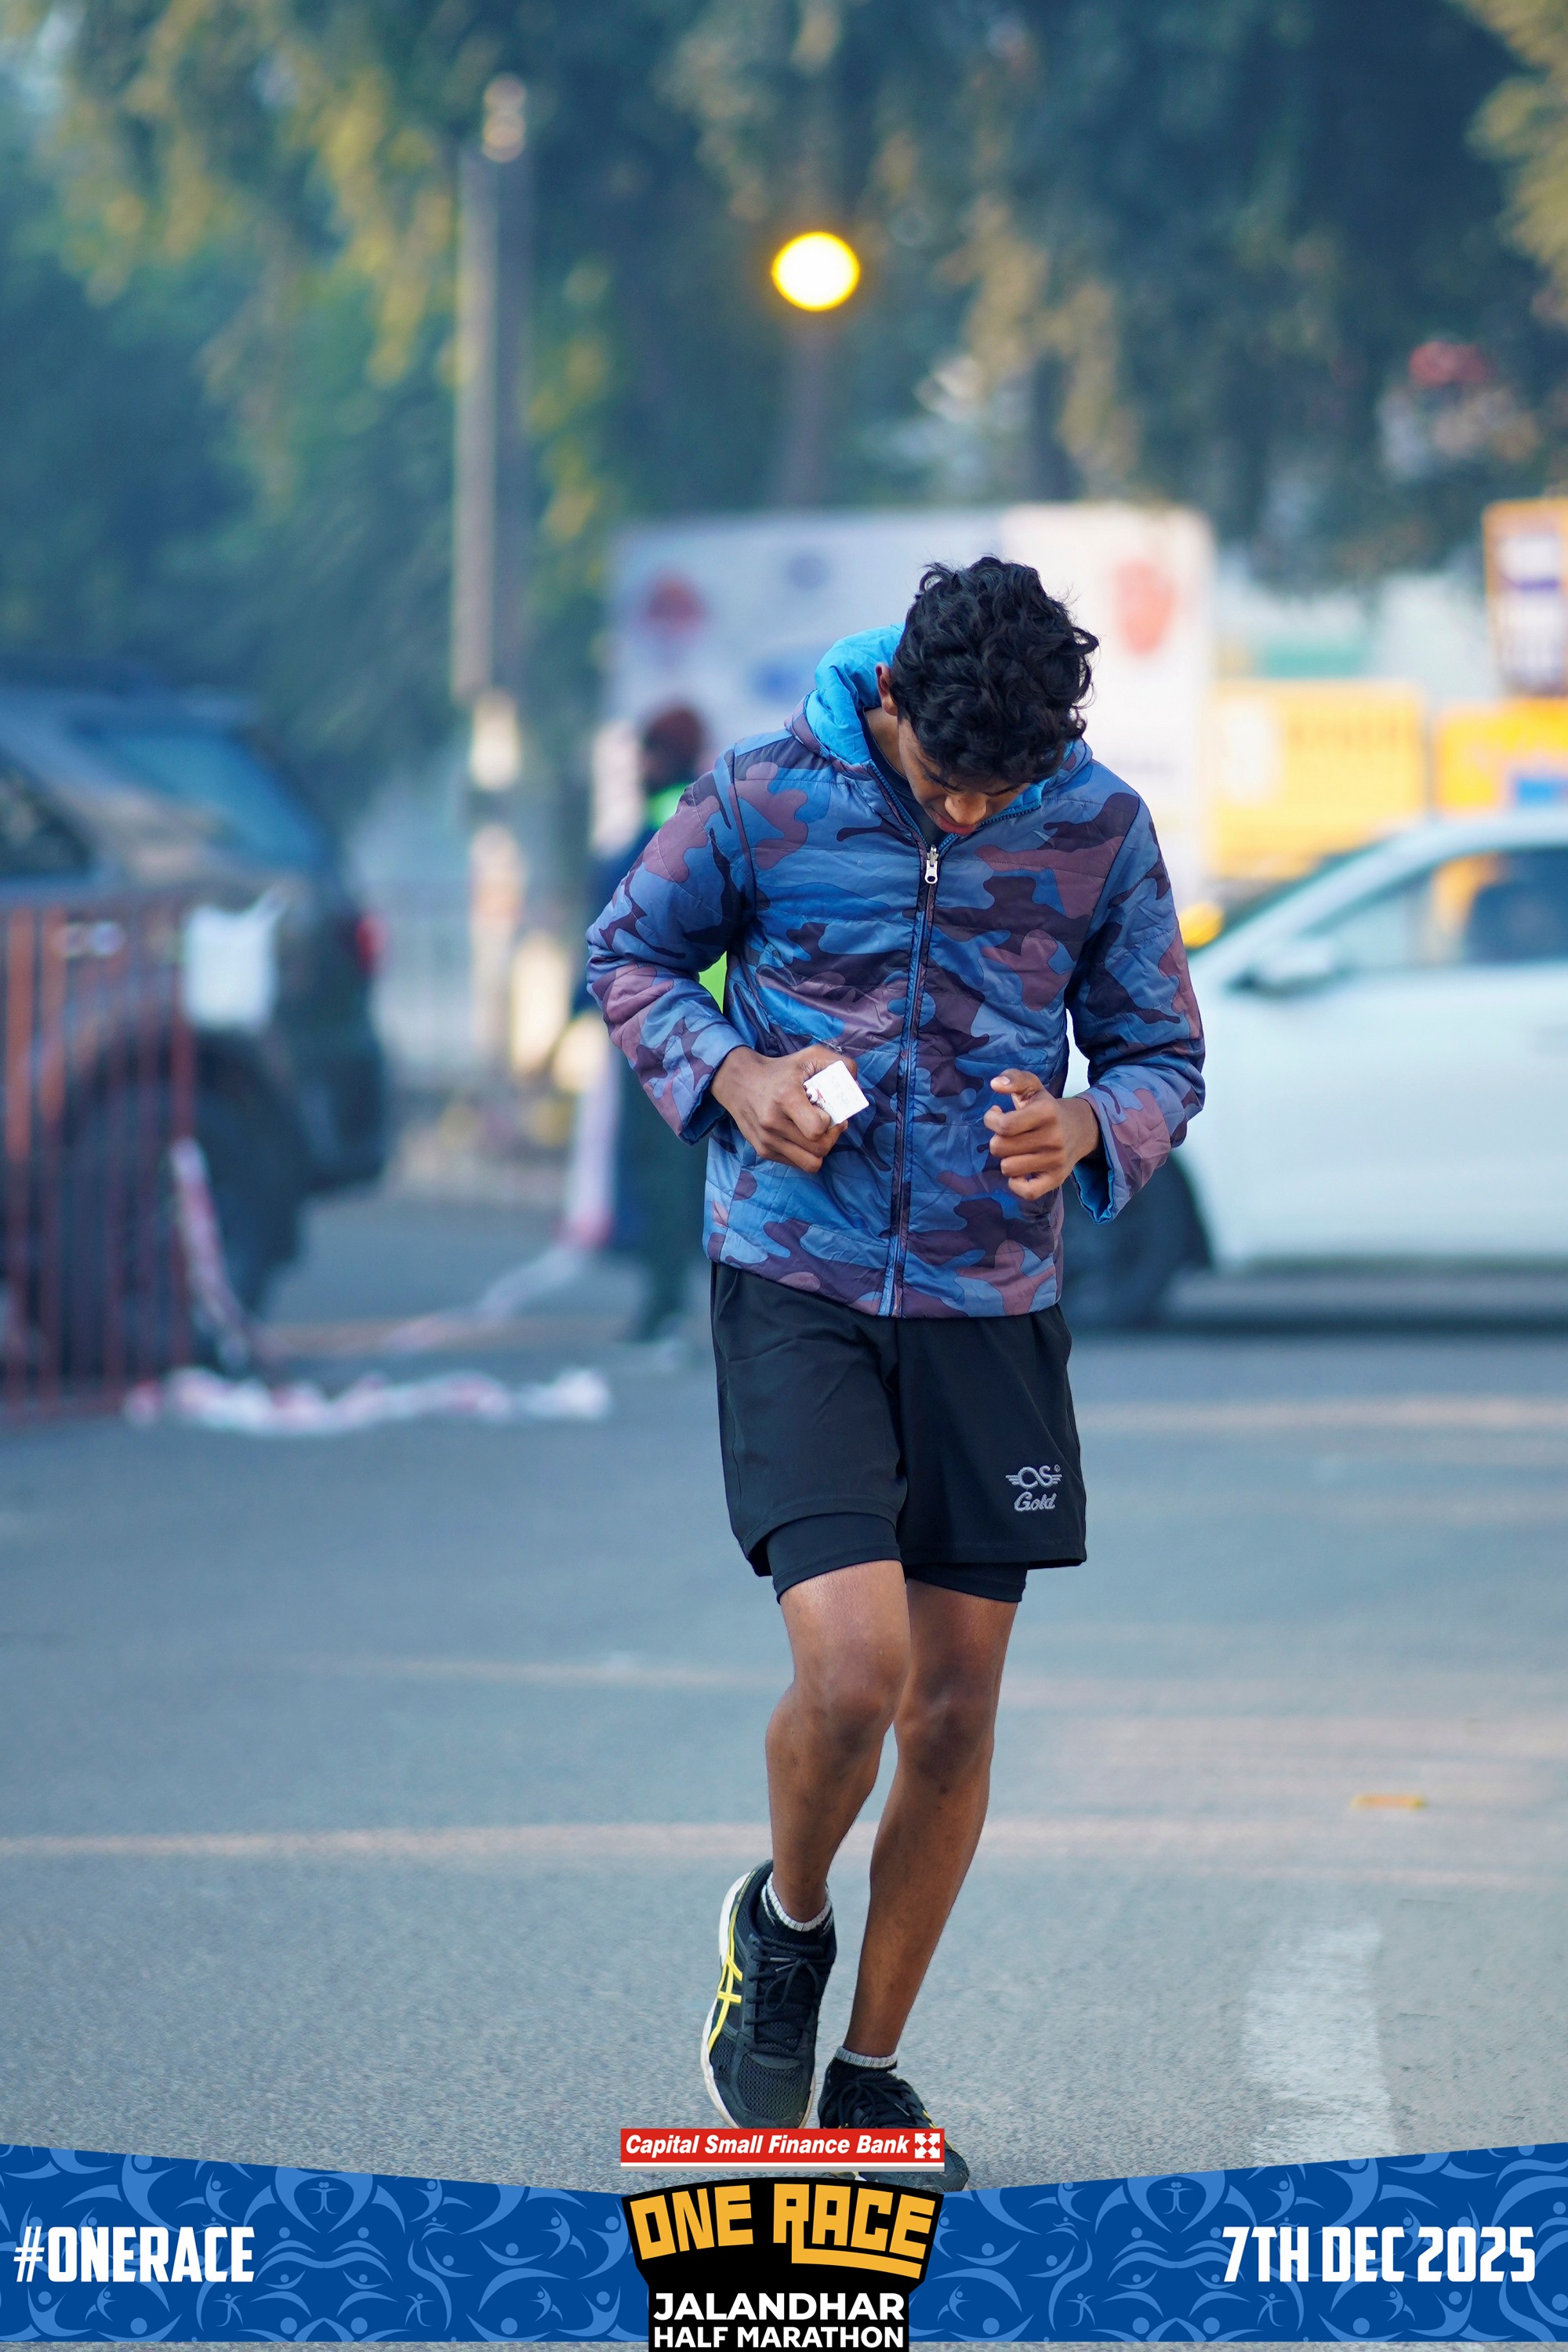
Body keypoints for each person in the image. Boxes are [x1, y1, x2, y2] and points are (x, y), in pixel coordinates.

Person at [586, 557, 1205, 2187]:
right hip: (796, 1280)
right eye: (945, 779)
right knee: (856, 1673)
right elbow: (628, 957)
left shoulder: (1097, 826)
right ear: (892, 706)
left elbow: (1162, 1050)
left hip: (990, 1303)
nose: (968, 811)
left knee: (953, 1707)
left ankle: (867, 2076)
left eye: (1002, 788)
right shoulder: (763, 797)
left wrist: (1091, 1125)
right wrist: (733, 1075)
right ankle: (785, 1927)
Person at [582, 706, 711, 1344]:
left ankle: (666, 1301)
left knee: (664, 1173)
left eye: (650, 752)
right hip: (695, 1025)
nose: (641, 765)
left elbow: (618, 918)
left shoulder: (663, 826)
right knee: (682, 1172)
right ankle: (676, 1297)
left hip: (664, 1025)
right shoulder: (706, 817)